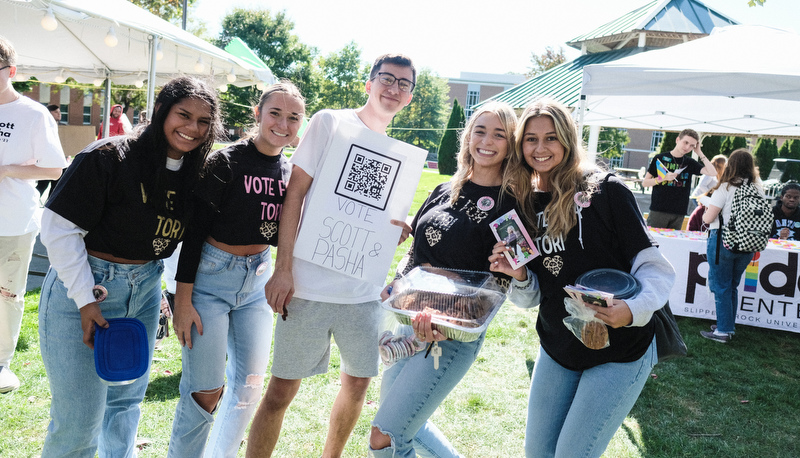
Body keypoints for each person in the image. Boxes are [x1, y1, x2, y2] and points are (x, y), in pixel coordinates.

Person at [38, 76, 222, 457]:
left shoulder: (194, 172)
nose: (192, 128)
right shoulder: (109, 156)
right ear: (160, 111)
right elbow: (58, 229)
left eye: (204, 122)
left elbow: (176, 243)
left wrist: (163, 292)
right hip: (87, 287)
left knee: (124, 408)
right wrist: (86, 301)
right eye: (183, 115)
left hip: (144, 292)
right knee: (78, 423)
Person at [246, 54, 416, 458]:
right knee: (282, 389)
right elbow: (295, 195)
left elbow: (374, 213)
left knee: (358, 383)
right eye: (386, 79)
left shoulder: (398, 152)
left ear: (410, 96)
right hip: (308, 284)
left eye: (403, 84)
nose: (393, 89)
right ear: (369, 83)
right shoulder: (330, 122)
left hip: (361, 291)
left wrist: (392, 229)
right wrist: (283, 269)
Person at [368, 102, 539, 457]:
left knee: (386, 435)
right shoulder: (445, 189)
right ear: (467, 137)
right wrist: (399, 281)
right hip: (408, 322)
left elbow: (503, 286)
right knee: (406, 422)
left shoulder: (513, 206)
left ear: (511, 144)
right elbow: (415, 251)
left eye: (499, 134)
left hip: (450, 335)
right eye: (480, 130)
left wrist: (448, 304)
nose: (487, 141)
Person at [512, 99, 675, 457]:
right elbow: (528, 298)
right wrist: (519, 274)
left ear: (568, 140)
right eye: (531, 139)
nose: (540, 149)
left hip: (622, 349)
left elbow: (656, 270)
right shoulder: (525, 204)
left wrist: (631, 311)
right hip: (558, 346)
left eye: (551, 138)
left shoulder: (606, 191)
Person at [168, 81, 306, 458]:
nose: (283, 123)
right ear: (257, 113)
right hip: (210, 280)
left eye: (293, 117)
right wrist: (182, 301)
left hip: (258, 284)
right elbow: (193, 233)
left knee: (248, 388)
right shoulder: (225, 161)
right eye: (275, 113)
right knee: (205, 390)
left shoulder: (291, 172)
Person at [0, 36, 66, 393]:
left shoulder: (32, 114)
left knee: (7, 293)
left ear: (11, 71)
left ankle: (1, 362)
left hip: (12, 221)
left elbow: (55, 169)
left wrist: (8, 169)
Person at [699, 149, 764, 343]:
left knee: (721, 286)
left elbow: (709, 218)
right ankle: (727, 325)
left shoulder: (725, 187)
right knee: (732, 286)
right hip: (748, 242)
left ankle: (723, 331)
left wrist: (705, 207)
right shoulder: (758, 188)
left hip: (723, 240)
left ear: (731, 165)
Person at [642, 129, 718, 230]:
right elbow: (645, 183)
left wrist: (699, 152)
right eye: (685, 142)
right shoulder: (660, 158)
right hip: (659, 210)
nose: (687, 147)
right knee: (655, 242)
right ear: (677, 140)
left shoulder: (690, 162)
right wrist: (662, 179)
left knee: (673, 244)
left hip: (679, 212)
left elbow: (713, 173)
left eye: (692, 145)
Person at [686, 155, 727, 232]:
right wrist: (711, 193)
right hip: (699, 198)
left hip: (707, 198)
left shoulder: (715, 174)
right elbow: (702, 185)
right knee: (700, 217)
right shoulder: (709, 174)